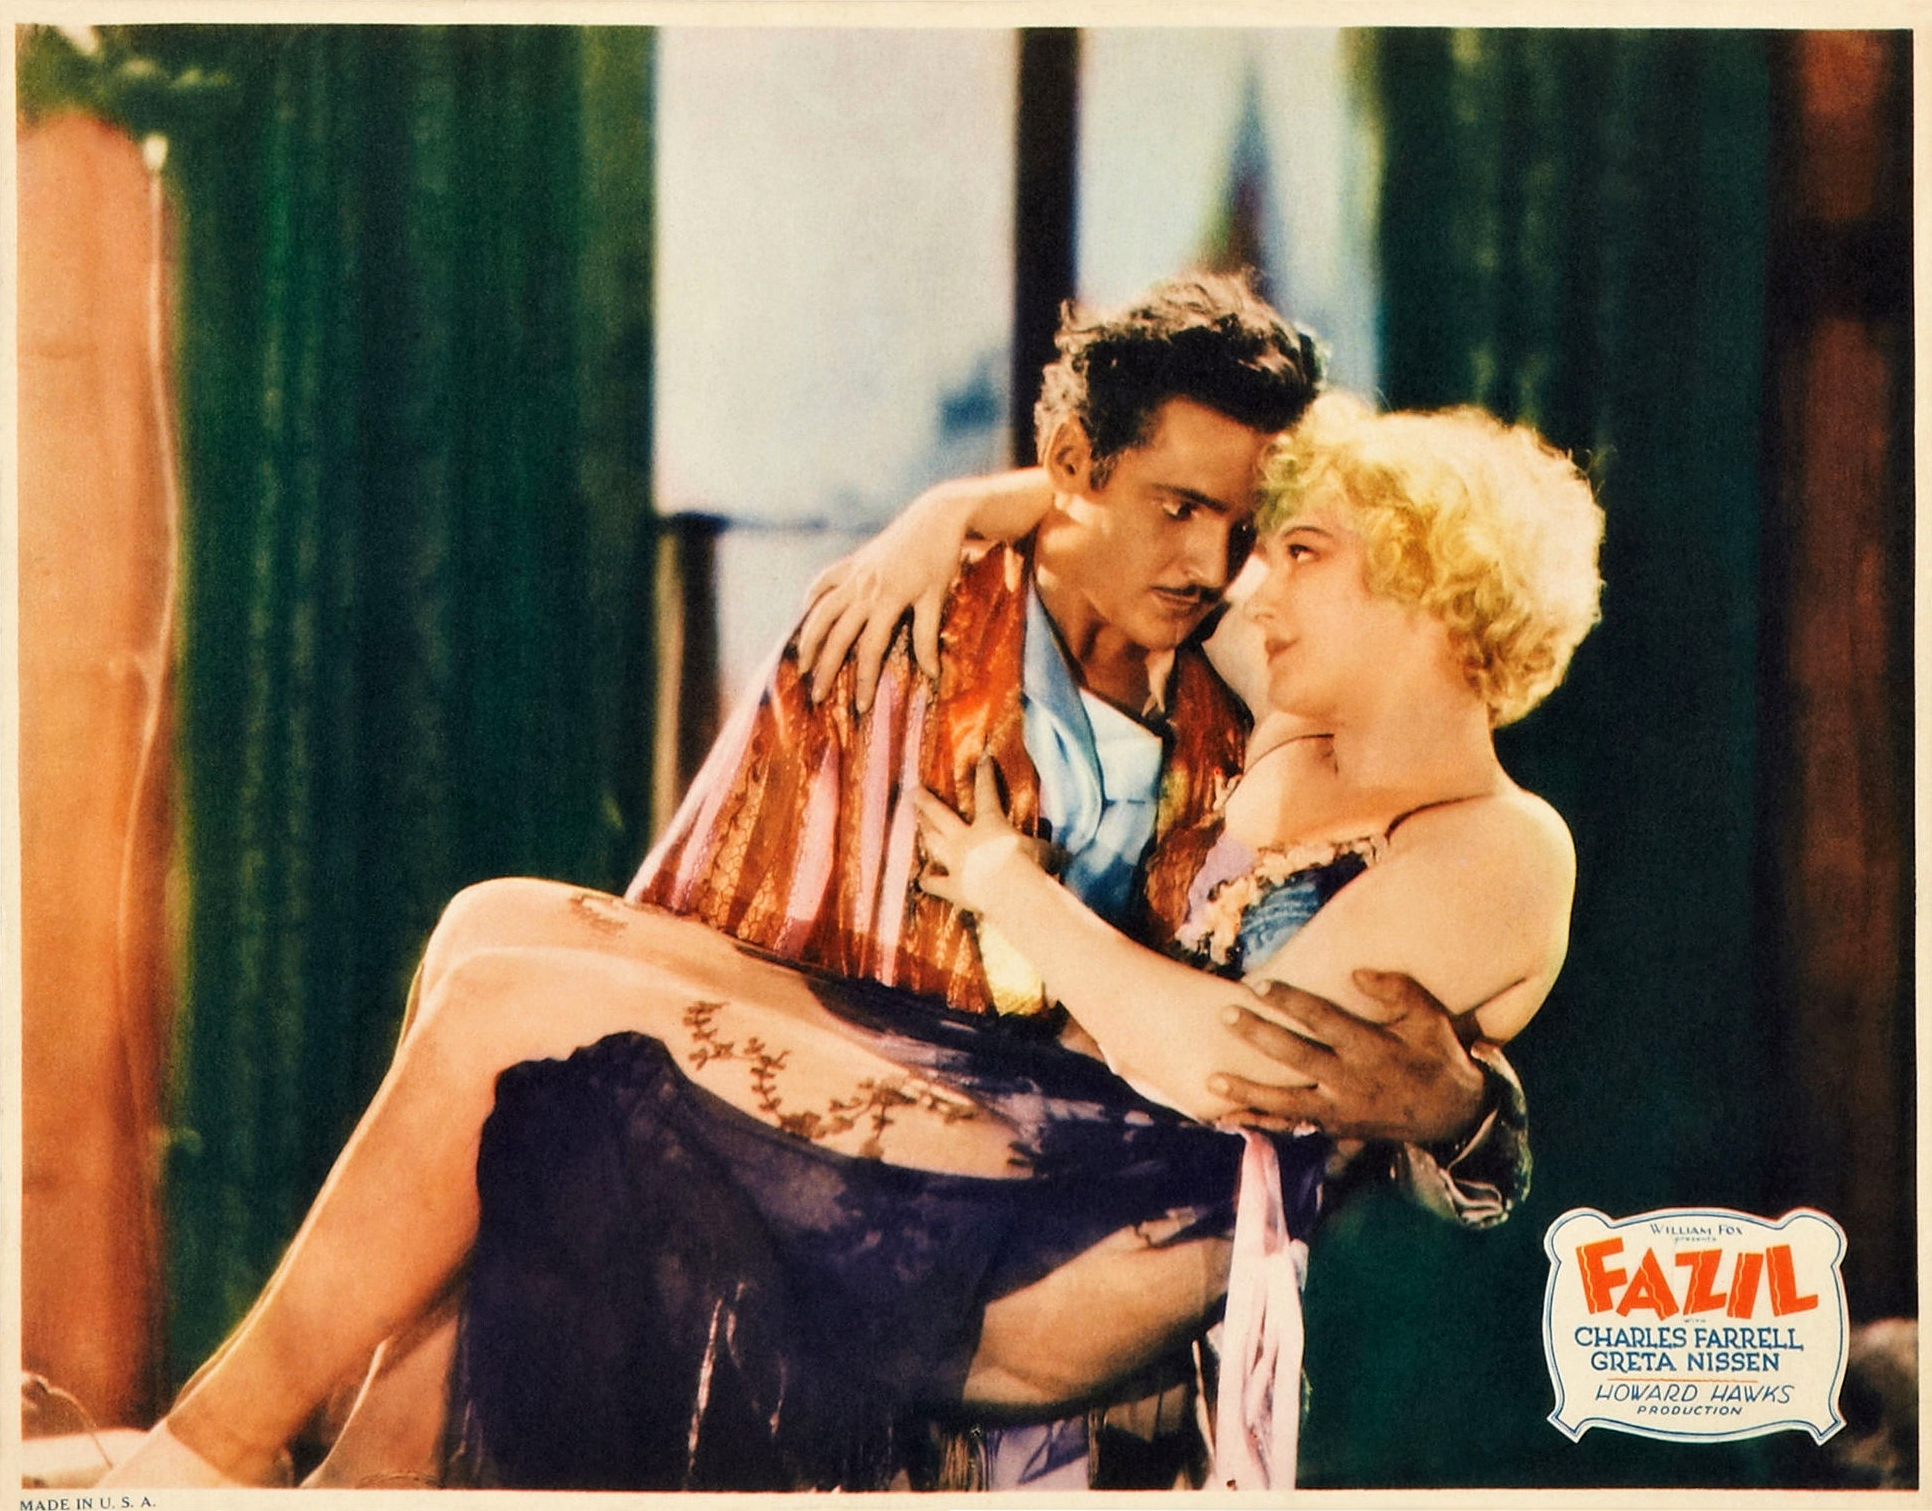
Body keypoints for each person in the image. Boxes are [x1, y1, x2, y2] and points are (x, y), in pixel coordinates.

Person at [99, 281, 1558, 1490]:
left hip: (1103, 1206)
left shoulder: (1498, 840)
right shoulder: (1298, 712)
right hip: (1045, 1103)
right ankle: (350, 1475)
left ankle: (208, 1452)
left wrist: (1011, 886)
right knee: (494, 936)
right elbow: (1124, 522)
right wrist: (955, 511)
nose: (1245, 579)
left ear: (1424, 589)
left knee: (511, 1021)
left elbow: (1226, 1072)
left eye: (1295, 550)